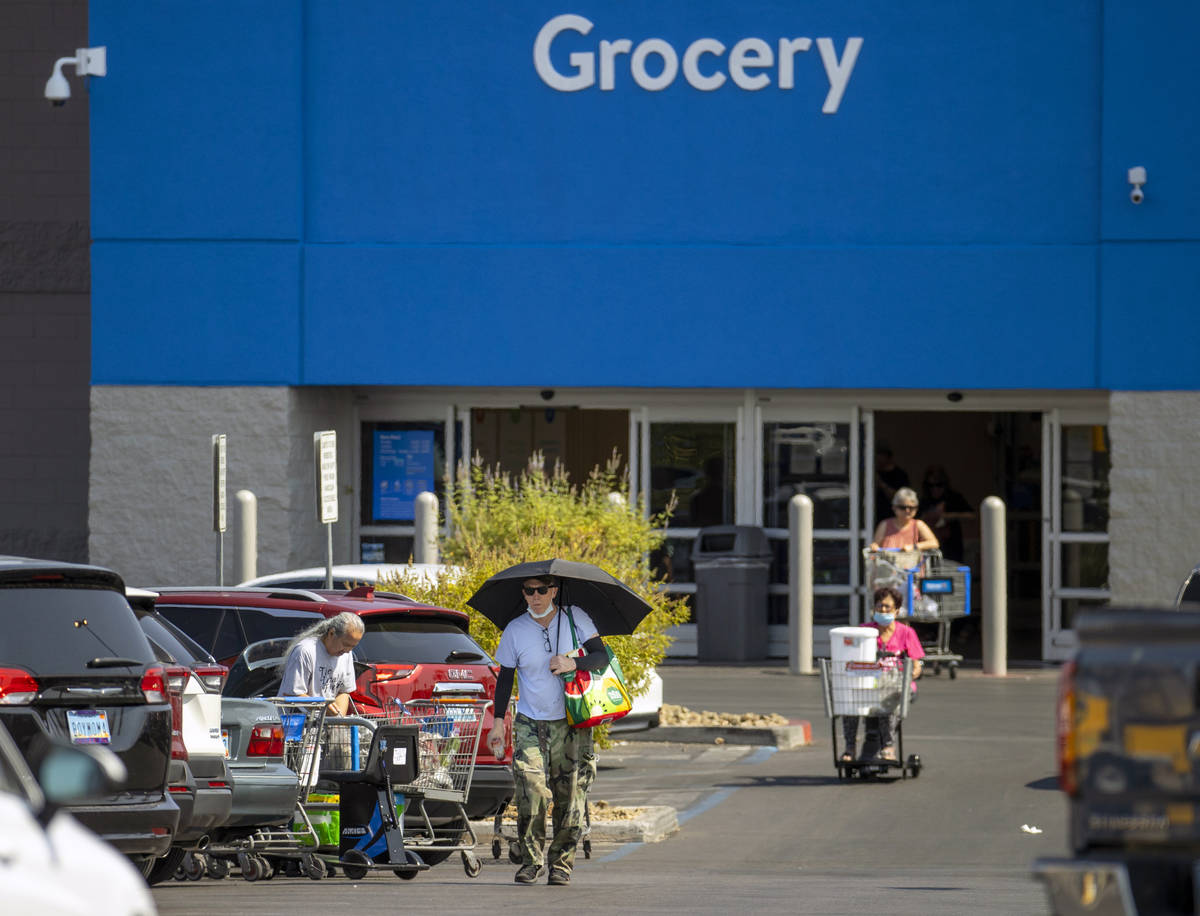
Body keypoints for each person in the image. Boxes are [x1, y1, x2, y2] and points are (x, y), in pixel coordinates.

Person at [485, 575, 608, 886]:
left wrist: (573, 664)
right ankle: (531, 860)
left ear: (554, 591)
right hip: (529, 722)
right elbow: (505, 679)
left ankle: (562, 864)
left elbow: (601, 656)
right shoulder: (515, 629)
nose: (535, 596)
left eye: (541, 590)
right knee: (531, 790)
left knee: (571, 797)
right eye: (529, 590)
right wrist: (498, 721)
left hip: (570, 722)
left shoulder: (574, 618)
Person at [841, 585, 925, 763]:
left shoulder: (907, 633)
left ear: (896, 610)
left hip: (895, 685)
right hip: (868, 685)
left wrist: (909, 675)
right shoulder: (864, 631)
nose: (883, 610)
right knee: (848, 702)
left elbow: (917, 666)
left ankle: (888, 746)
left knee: (890, 699)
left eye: (887, 606)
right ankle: (850, 747)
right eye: (879, 606)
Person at [279, 611, 364, 716]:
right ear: (331, 633)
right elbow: (292, 694)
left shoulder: (347, 654)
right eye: (345, 644)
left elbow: (343, 691)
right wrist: (321, 704)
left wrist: (338, 721)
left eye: (352, 646)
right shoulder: (305, 651)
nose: (347, 650)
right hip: (295, 722)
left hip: (323, 725)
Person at [919, 466, 974, 562]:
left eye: (938, 485)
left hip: (952, 545)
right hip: (930, 547)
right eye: (930, 485)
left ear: (945, 485)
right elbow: (915, 520)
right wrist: (927, 517)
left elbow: (971, 515)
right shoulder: (924, 500)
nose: (935, 488)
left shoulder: (954, 498)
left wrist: (949, 516)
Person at [870, 486, 939, 553]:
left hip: (913, 564)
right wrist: (874, 547)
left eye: (911, 507)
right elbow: (876, 545)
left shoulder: (918, 524)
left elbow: (934, 543)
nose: (907, 511)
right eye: (903, 507)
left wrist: (914, 547)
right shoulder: (885, 524)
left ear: (916, 509)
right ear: (894, 508)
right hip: (888, 563)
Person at [874, 445, 910, 523]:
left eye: (880, 455)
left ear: (887, 456)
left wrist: (881, 484)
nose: (877, 458)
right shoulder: (875, 473)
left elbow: (900, 499)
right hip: (877, 518)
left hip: (894, 519)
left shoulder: (900, 475)